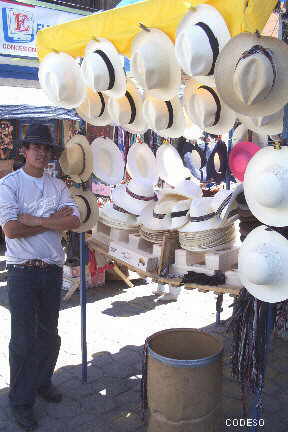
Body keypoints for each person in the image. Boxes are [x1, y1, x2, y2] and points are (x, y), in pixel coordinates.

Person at [0, 124, 80, 431]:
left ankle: (43, 381)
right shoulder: (10, 185)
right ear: (24, 150)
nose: (41, 152)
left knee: (49, 334)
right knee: (23, 340)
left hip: (50, 271)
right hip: (21, 271)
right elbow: (10, 229)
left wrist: (34, 219)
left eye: (46, 148)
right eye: (36, 147)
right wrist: (51, 223)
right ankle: (20, 401)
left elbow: (72, 219)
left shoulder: (57, 185)